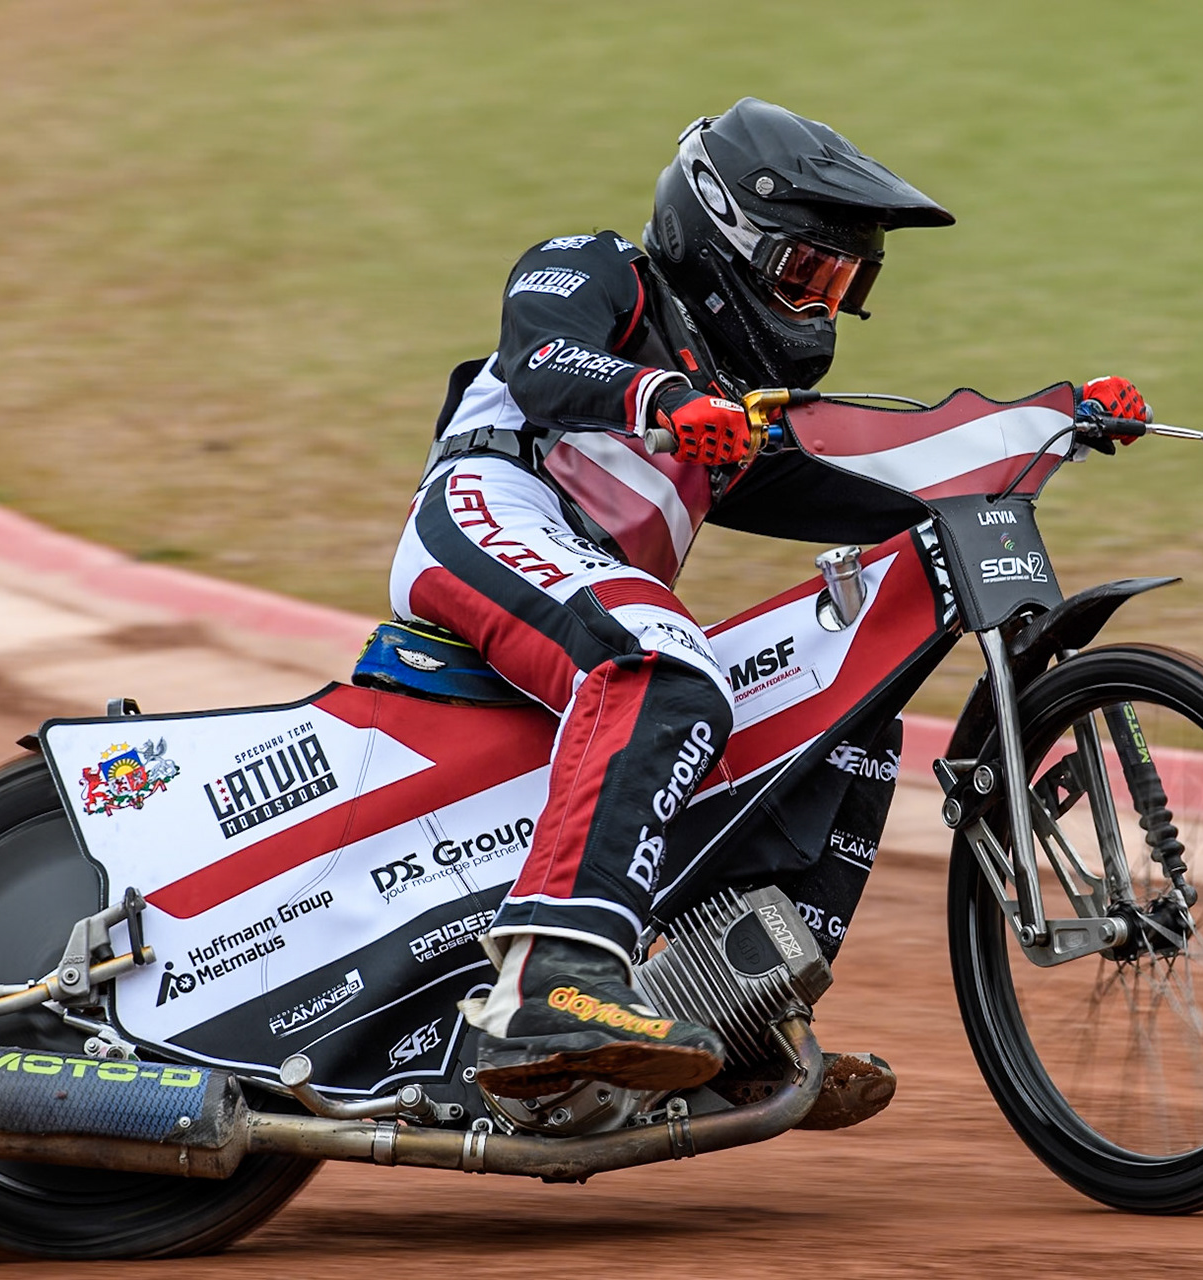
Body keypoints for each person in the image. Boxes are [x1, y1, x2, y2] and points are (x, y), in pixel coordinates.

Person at [388, 97, 1145, 1102]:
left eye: (843, 285)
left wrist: (1049, 424)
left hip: (591, 593)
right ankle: (548, 983)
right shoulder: (596, 265)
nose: (822, 307)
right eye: (804, 273)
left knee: (855, 698)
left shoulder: (733, 413)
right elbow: (541, 360)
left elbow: (886, 475)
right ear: (719, 230)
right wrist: (659, 399)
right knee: (664, 666)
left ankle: (738, 1011)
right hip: (490, 505)